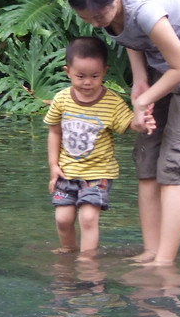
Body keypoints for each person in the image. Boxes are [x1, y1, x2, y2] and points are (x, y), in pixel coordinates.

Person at [63, 0, 180, 266]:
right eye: (87, 19)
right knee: (147, 162)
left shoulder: (146, 9)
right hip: (160, 67)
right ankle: (150, 250)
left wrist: (143, 100)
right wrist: (140, 80)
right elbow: (129, 37)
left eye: (99, 16)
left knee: (174, 168)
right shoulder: (108, 11)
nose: (96, 24)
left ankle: (164, 262)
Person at [45, 36, 155, 257]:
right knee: (62, 218)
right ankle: (68, 250)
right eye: (80, 76)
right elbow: (54, 131)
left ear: (104, 72)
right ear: (68, 72)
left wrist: (142, 123)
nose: (87, 82)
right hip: (67, 171)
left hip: (98, 173)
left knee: (87, 218)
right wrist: (53, 165)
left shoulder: (112, 102)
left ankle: (87, 259)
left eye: (94, 76)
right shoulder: (61, 100)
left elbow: (130, 123)